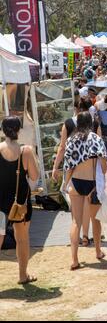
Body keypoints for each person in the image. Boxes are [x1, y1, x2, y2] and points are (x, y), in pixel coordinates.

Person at [64, 112, 107, 269]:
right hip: (92, 184)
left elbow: (69, 167)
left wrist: (65, 184)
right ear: (91, 123)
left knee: (76, 221)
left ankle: (74, 260)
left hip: (76, 182)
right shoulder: (96, 139)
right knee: (96, 220)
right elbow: (104, 167)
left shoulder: (71, 140)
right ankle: (98, 251)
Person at [0, 116, 39, 284]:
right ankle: (23, 275)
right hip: (20, 201)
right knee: (22, 239)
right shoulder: (26, 151)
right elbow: (35, 176)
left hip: (0, 200)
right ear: (19, 130)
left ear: (2, 130)